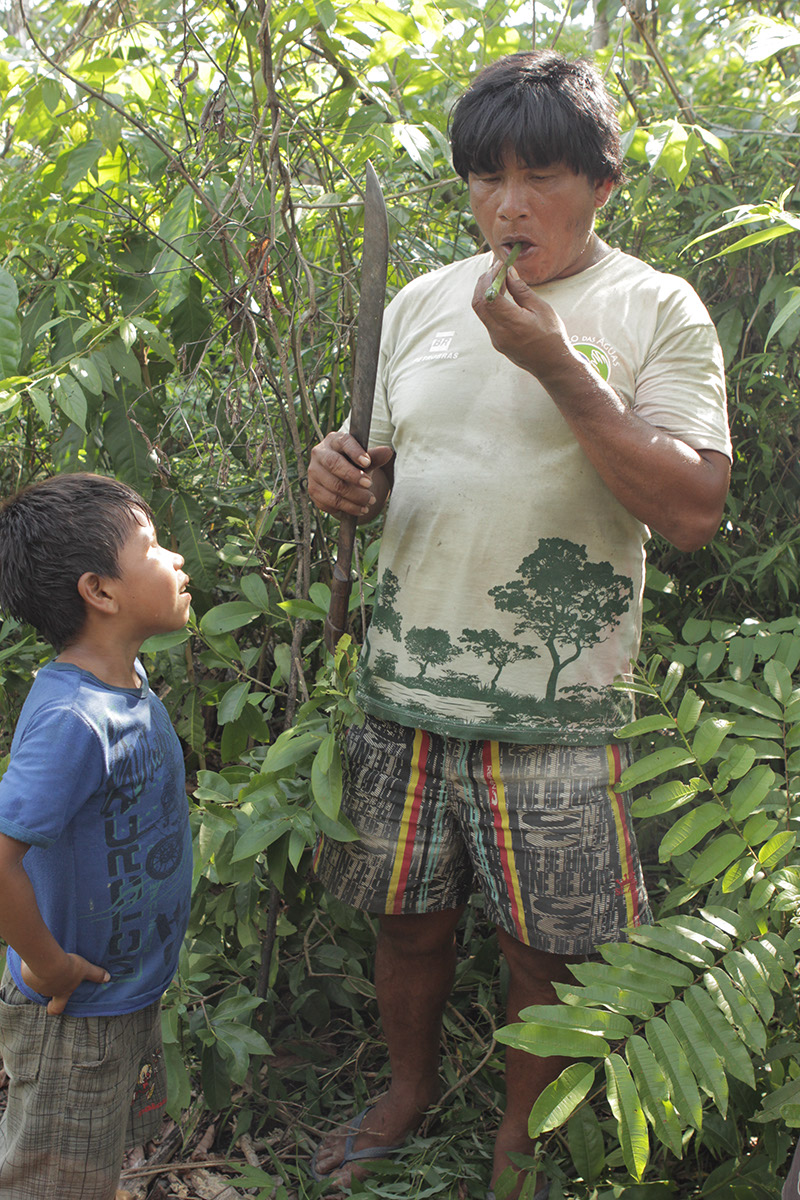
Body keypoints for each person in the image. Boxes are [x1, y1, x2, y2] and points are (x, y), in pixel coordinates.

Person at [307, 50, 731, 1200]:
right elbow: (396, 461)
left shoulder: (652, 308)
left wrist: (556, 367)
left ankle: (519, 1139)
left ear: (603, 181)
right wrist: (343, 476)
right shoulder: (421, 301)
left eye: (539, 173)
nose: (506, 204)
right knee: (405, 920)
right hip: (402, 685)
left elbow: (691, 512)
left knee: (544, 946)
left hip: (561, 709)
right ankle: (402, 1092)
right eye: (484, 177)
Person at [0, 473, 193, 1199]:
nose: (175, 560)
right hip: (72, 1013)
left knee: (84, 1164)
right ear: (100, 592)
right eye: (152, 547)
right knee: (51, 1180)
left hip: (120, 997)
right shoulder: (74, 720)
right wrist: (46, 964)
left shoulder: (125, 684)